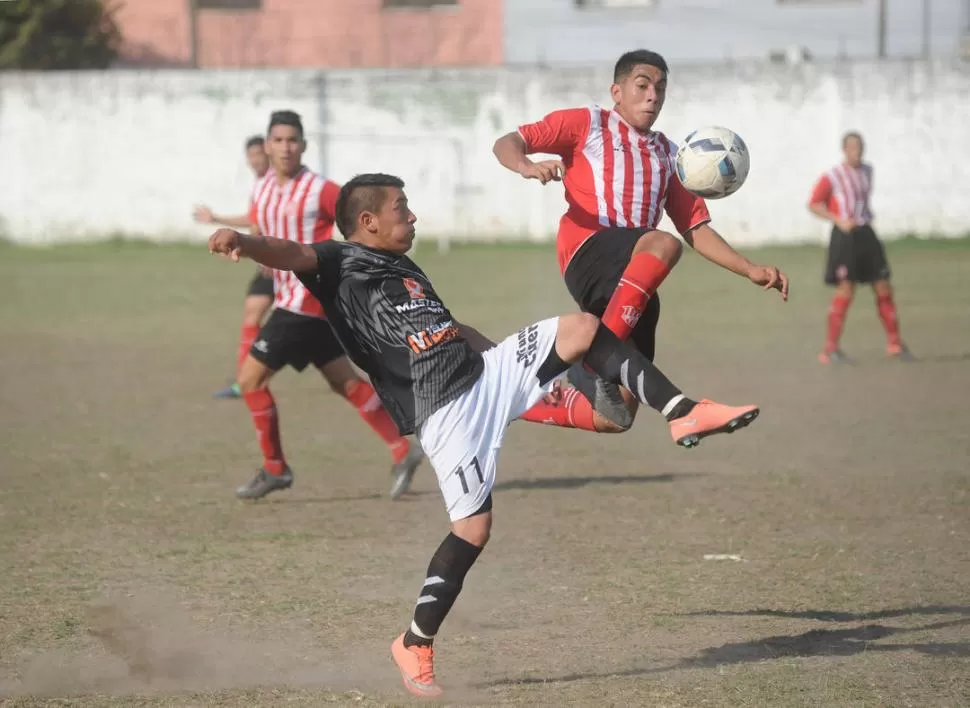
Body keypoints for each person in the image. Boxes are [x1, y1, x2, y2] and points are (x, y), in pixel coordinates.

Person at [207, 172, 762, 697]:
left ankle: (682, 409)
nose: (413, 214)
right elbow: (288, 250)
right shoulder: (337, 259)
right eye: (402, 208)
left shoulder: (408, 269)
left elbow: (454, 330)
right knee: (472, 530)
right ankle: (413, 644)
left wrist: (512, 365)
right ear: (368, 220)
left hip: (482, 374)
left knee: (582, 329)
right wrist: (243, 241)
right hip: (444, 413)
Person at [493, 49, 789, 431]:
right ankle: (596, 361)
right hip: (590, 250)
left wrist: (750, 269)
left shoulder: (670, 155)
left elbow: (695, 228)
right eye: (643, 85)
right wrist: (527, 166)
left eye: (661, 89)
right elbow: (507, 141)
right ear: (617, 91)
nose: (653, 95)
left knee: (616, 416)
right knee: (664, 244)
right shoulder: (588, 123)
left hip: (634, 282)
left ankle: (510, 403)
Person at [230, 112, 422, 501]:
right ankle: (403, 448)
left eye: (293, 140)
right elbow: (263, 231)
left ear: (304, 145)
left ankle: (275, 468)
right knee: (344, 381)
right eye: (279, 140)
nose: (286, 147)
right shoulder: (262, 188)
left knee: (249, 381)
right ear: (267, 145)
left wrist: (374, 256)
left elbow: (363, 217)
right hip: (298, 302)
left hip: (304, 303)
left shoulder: (319, 189)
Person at [808, 131, 913, 363]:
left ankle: (895, 344)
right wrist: (837, 219)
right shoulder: (833, 175)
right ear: (844, 150)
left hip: (867, 233)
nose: (858, 151)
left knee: (883, 286)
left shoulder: (868, 170)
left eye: (860, 147)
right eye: (853, 147)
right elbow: (814, 203)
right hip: (845, 237)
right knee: (846, 289)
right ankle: (829, 349)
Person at [193, 135, 274, 399]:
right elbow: (254, 221)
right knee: (252, 314)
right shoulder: (261, 185)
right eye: (251, 155)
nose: (255, 160)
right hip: (270, 261)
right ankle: (244, 379)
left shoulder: (278, 184)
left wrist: (273, 253)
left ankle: (246, 378)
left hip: (283, 262)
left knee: (322, 327)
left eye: (259, 154)